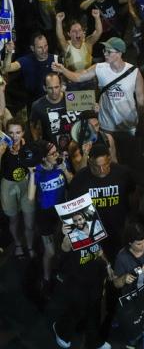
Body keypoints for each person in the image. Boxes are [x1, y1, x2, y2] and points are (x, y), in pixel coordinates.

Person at [53, 37, 144, 137]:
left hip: (128, 126)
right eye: (104, 50)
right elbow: (78, 77)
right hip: (106, 126)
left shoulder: (134, 72)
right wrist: (63, 70)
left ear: (119, 53)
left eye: (109, 51)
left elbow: (141, 101)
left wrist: (140, 122)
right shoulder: (99, 68)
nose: (105, 53)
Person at [68, 143, 136, 261]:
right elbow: (72, 206)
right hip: (93, 231)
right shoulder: (80, 179)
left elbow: (134, 195)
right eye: (96, 166)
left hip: (119, 229)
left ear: (109, 159)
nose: (101, 170)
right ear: (89, 162)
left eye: (104, 165)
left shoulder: (123, 173)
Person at [0, 119, 37, 259]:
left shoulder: (28, 146)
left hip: (26, 183)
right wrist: (1, 153)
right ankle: (18, 244)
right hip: (8, 184)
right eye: (11, 133)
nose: (14, 136)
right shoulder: (2, 147)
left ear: (23, 133)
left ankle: (30, 246)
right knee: (13, 219)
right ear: (6, 133)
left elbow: (35, 166)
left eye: (18, 132)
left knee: (29, 222)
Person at [30, 72, 82, 152]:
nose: (54, 91)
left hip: (76, 146)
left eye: (56, 87)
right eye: (50, 88)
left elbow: (88, 115)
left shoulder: (72, 98)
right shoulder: (37, 105)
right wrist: (38, 143)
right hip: (53, 150)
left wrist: (94, 108)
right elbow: (33, 126)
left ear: (61, 86)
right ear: (44, 88)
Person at [2, 35, 55, 109]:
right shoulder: (26, 60)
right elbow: (6, 69)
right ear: (32, 48)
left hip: (54, 103)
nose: (44, 50)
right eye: (40, 47)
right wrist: (9, 53)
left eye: (45, 46)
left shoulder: (56, 60)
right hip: (34, 106)